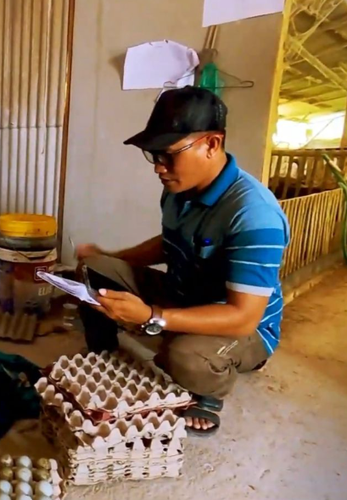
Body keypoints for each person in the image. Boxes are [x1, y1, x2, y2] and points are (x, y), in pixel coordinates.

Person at [75, 86, 289, 436]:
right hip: (185, 294)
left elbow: (243, 316)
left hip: (243, 325)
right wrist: (110, 257)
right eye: (153, 155)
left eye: (169, 154)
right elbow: (170, 243)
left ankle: (209, 392)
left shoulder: (254, 214)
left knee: (184, 356)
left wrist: (152, 317)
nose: (159, 167)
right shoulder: (178, 188)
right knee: (92, 269)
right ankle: (104, 352)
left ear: (211, 144)